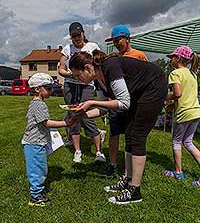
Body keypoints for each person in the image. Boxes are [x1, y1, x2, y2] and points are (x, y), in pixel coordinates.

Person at [67, 49, 168, 204]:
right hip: (139, 92)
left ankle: (135, 191)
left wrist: (92, 102)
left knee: (137, 135)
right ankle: (127, 179)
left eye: (77, 75)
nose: (78, 79)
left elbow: (124, 103)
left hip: (154, 87)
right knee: (129, 133)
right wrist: (80, 116)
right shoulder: (98, 80)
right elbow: (104, 108)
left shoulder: (110, 66)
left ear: (87, 67)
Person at [22, 73, 75, 206]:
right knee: (37, 169)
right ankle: (35, 197)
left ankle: (38, 190)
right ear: (37, 89)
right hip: (34, 142)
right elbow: (46, 123)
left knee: (40, 167)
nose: (51, 91)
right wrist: (65, 124)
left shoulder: (37, 103)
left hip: (37, 142)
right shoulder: (39, 104)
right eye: (48, 88)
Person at [58, 22, 106, 163]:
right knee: (73, 114)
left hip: (87, 86)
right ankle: (77, 150)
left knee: (85, 115)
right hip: (71, 86)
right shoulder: (67, 49)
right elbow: (61, 69)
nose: (77, 38)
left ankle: (98, 151)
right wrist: (72, 75)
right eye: (73, 36)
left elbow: (99, 65)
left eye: (78, 35)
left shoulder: (92, 46)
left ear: (83, 33)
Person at [104, 25, 148, 178]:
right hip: (116, 101)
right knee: (114, 133)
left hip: (133, 103)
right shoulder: (115, 57)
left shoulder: (139, 55)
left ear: (127, 38)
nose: (116, 44)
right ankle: (113, 164)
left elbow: (146, 77)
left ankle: (129, 170)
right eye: (114, 41)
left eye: (118, 40)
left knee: (131, 135)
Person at [164, 46, 200, 187]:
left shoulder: (175, 73)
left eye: (172, 57)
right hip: (195, 111)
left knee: (177, 142)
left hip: (184, 113)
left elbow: (178, 94)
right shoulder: (193, 74)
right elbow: (187, 94)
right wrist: (174, 105)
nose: (171, 60)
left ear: (178, 59)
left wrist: (166, 97)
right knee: (189, 142)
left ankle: (178, 172)